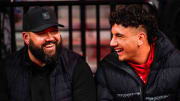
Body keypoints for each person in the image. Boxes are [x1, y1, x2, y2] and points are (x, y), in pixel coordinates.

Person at [0, 6, 96, 101]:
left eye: (54, 31)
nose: (50, 38)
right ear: (26, 38)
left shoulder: (77, 66)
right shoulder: (7, 69)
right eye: (42, 33)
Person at [96, 3, 180, 101]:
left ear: (140, 38)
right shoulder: (107, 67)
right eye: (112, 36)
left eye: (119, 36)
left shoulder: (176, 62)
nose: (112, 43)